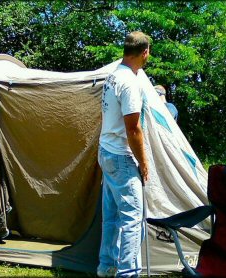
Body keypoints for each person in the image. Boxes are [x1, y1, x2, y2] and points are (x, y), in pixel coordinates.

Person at [97, 31, 150, 277]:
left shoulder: (113, 76)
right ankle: (128, 273)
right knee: (132, 219)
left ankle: (106, 267)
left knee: (111, 216)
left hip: (105, 150)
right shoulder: (129, 82)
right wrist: (143, 162)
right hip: (120, 155)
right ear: (145, 52)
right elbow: (133, 128)